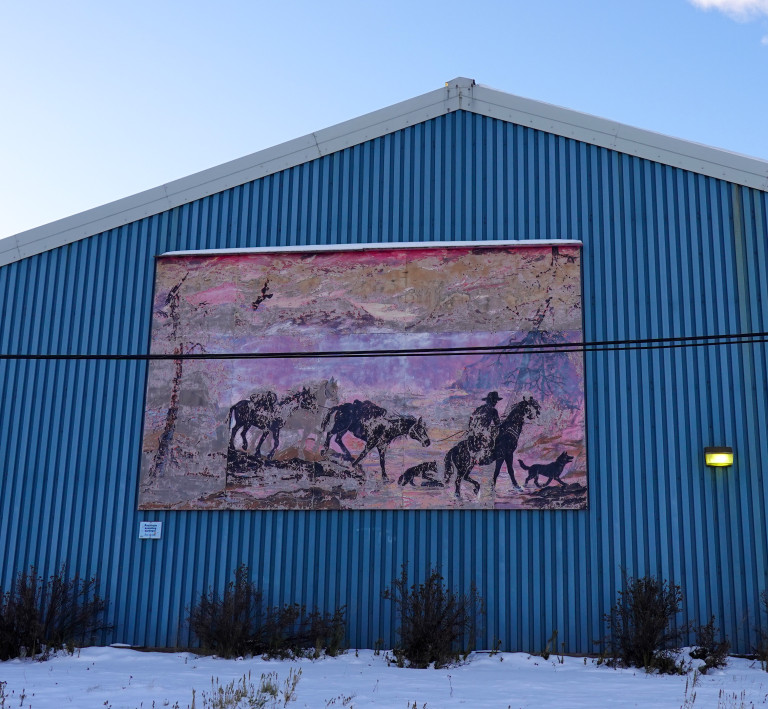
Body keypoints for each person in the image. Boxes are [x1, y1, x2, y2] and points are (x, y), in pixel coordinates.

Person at [467, 391, 502, 458]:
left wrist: (471, 428)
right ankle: (484, 457)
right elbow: (497, 424)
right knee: (491, 443)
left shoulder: (479, 408)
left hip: (473, 431)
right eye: (495, 400)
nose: (496, 402)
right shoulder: (493, 411)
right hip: (483, 432)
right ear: (492, 401)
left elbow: (471, 419)